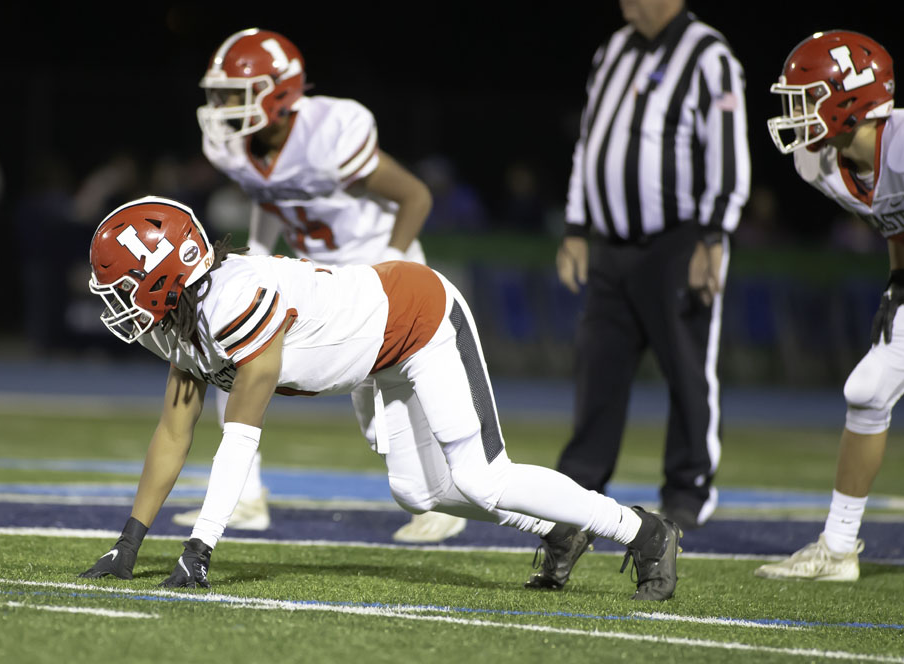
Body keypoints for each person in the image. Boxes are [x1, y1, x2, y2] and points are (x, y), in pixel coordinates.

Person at [76, 196, 681, 600]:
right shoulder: (184, 323)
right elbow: (173, 434)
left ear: (163, 272)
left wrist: (200, 548)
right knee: (417, 492)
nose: (117, 302)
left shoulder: (234, 303)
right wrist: (128, 545)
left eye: (123, 284)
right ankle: (558, 530)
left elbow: (241, 436)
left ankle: (642, 531)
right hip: (379, 352)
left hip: (419, 317)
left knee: (482, 478)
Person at [171, 28, 465, 543]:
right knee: (229, 353)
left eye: (234, 95)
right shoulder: (235, 147)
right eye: (218, 94)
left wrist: (391, 266)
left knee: (381, 409)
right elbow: (267, 193)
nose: (220, 106)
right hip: (317, 274)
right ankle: (244, 498)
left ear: (279, 93)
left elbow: (415, 196)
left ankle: (444, 493)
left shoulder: (331, 130)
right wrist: (257, 256)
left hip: (375, 268)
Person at [527, 0, 750, 590]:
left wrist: (714, 236)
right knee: (597, 368)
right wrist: (576, 227)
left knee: (686, 367)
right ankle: (576, 490)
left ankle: (687, 496)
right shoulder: (614, 49)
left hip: (677, 243)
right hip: (611, 246)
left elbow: (728, 151)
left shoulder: (708, 54)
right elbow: (589, 141)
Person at [756, 30, 899, 582]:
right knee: (867, 390)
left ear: (851, 99)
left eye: (807, 96)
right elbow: (897, 217)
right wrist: (899, 278)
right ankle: (838, 550)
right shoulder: (818, 164)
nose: (797, 112)